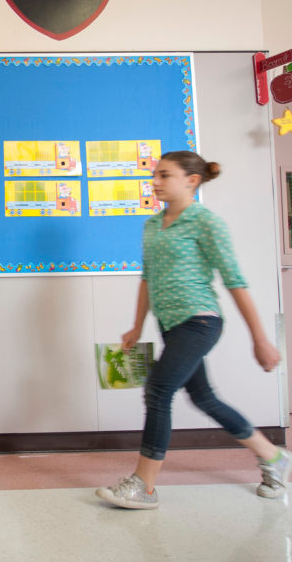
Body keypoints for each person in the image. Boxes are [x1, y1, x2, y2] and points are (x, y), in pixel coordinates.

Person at [96, 152, 288, 509]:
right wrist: (137, 326)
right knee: (204, 398)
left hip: (200, 321)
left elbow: (235, 281)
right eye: (154, 174)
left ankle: (144, 486)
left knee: (159, 388)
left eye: (164, 175)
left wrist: (260, 338)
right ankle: (273, 457)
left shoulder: (205, 222)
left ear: (191, 180)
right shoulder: (152, 225)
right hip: (171, 326)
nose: (154, 181)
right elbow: (147, 278)